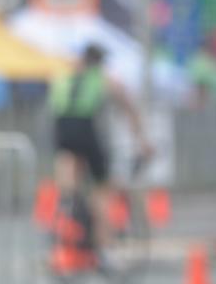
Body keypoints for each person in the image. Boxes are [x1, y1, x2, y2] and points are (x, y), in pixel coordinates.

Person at [48, 42, 153, 262]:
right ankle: (104, 244)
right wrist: (142, 141)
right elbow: (128, 109)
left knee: (69, 171)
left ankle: (68, 206)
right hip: (86, 130)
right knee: (101, 189)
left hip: (62, 132)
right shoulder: (102, 79)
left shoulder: (64, 77)